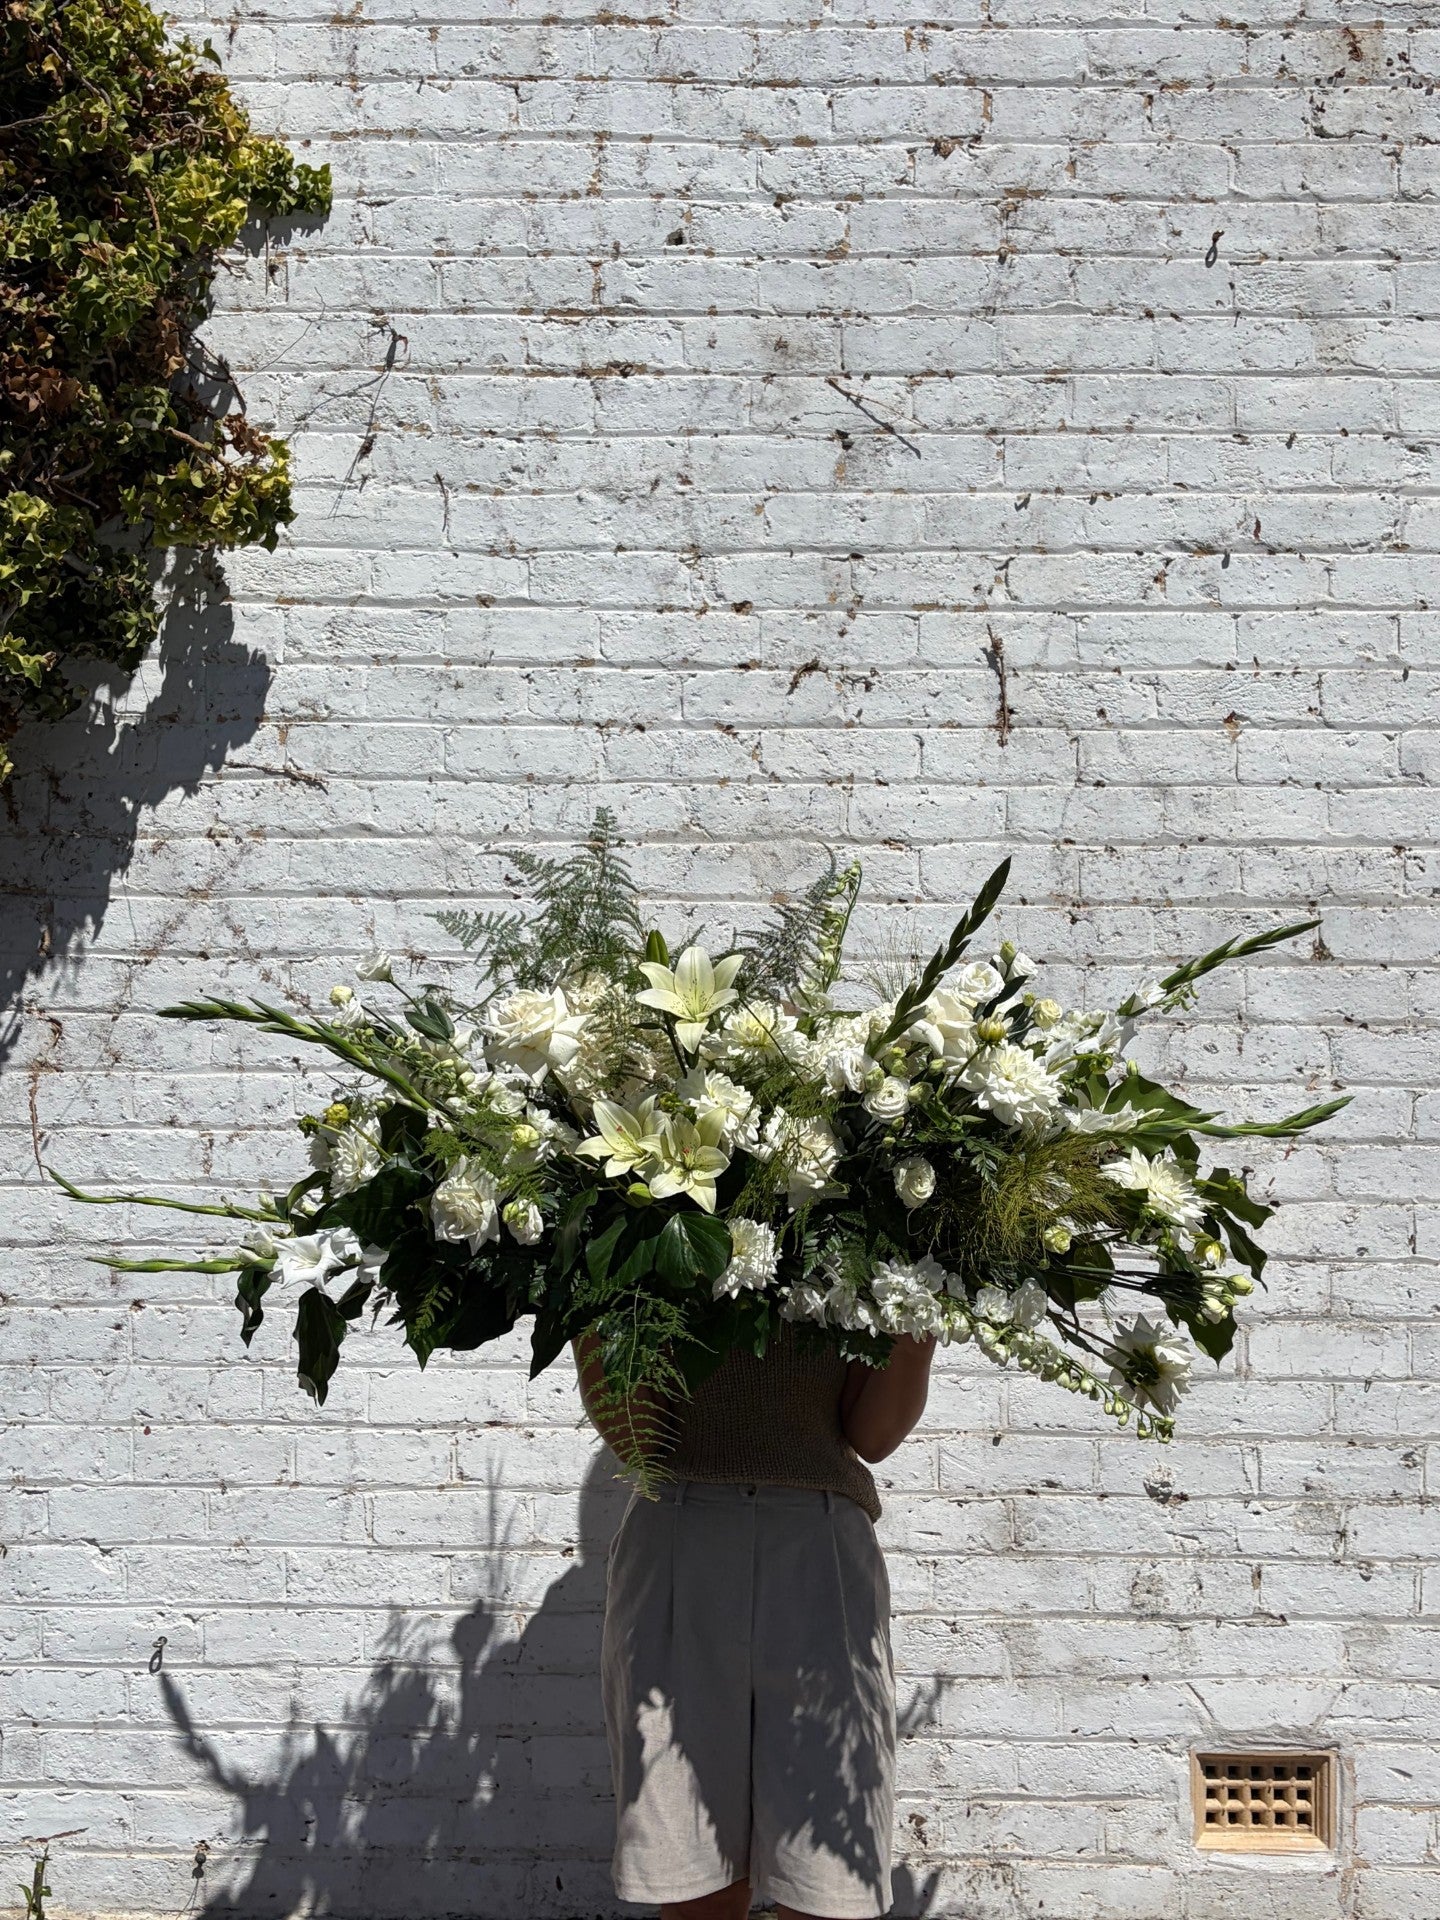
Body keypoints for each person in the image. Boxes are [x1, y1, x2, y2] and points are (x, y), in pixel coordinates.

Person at [576, 1321, 937, 1920]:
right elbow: (634, 1432)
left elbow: (871, 1435)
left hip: (818, 1546)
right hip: (680, 1534)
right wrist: (587, 1289)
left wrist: (924, 1310)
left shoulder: (865, 1236)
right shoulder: (634, 1232)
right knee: (693, 1879)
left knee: (829, 1883)